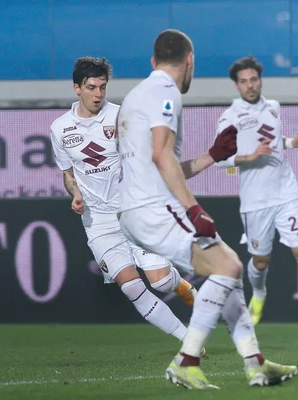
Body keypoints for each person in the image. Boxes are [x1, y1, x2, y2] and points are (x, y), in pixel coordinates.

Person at [116, 29, 298, 390]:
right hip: (155, 207)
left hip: (139, 207)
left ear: (153, 61)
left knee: (228, 266)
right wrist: (194, 209)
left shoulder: (138, 93)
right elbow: (162, 155)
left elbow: (163, 165)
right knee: (229, 267)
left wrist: (213, 156)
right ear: (190, 60)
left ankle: (255, 362)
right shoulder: (165, 90)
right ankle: (186, 361)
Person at [49, 56, 196, 344]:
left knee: (162, 281)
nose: (98, 94)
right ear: (76, 88)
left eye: (103, 87)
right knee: (131, 288)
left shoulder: (121, 116)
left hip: (134, 212)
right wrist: (75, 193)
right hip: (98, 221)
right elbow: (68, 175)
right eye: (91, 87)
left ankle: (193, 294)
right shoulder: (59, 129)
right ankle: (188, 338)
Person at [213, 56, 298, 337]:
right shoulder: (229, 117)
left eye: (253, 79)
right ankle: (259, 292)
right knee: (260, 261)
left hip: (286, 192)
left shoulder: (273, 107)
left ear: (260, 80)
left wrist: (292, 142)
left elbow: (275, 143)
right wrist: (249, 156)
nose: (250, 85)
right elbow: (219, 159)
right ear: (237, 85)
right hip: (256, 201)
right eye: (244, 81)